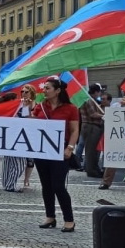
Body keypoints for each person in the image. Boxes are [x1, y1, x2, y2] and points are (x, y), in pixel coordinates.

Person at [32, 77, 80, 232]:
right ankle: (50, 216)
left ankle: (69, 219)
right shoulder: (40, 107)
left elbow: (74, 131)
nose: (44, 91)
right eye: (44, 88)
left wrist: (70, 148)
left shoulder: (70, 108)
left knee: (58, 185)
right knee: (46, 186)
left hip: (61, 150)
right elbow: (30, 126)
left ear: (58, 90)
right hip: (42, 150)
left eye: (47, 88)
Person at [1, 87, 34, 192]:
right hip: (14, 135)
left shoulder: (36, 105)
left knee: (19, 162)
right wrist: (25, 107)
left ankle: (10, 184)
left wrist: (27, 108)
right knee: (12, 162)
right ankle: (8, 184)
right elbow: (22, 119)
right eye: (22, 91)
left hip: (25, 137)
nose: (23, 93)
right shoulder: (18, 104)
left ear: (31, 93)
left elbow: (30, 119)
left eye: (26, 92)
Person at [78, 83, 105, 178]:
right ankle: (91, 171)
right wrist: (104, 115)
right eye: (99, 92)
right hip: (91, 126)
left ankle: (94, 168)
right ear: (96, 92)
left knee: (94, 150)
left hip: (91, 126)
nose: (100, 94)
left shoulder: (91, 100)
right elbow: (92, 114)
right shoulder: (88, 100)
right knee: (91, 150)